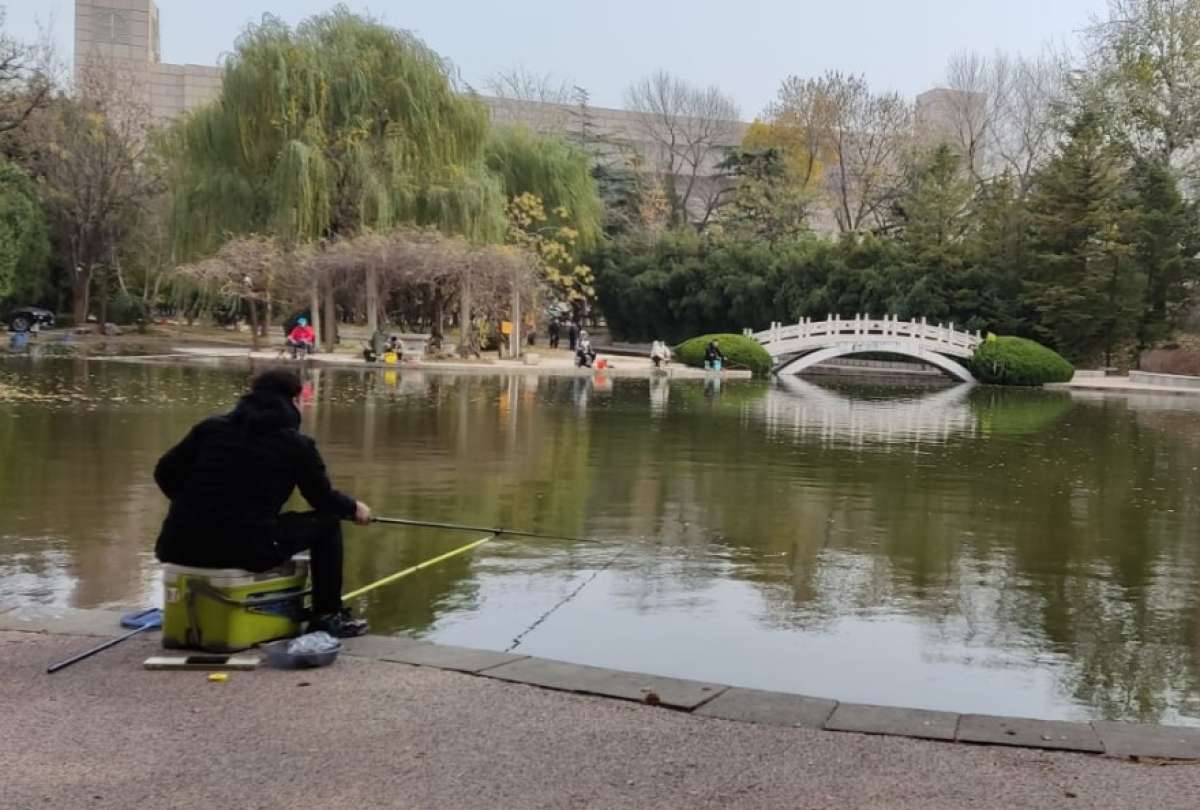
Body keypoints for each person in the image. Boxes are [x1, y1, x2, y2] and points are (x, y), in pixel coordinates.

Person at [153, 368, 372, 638]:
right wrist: (353, 508)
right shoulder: (297, 444)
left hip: (178, 544)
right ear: (294, 401)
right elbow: (322, 500)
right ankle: (327, 615)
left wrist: (197, 506)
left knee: (282, 523)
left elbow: (163, 473)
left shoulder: (210, 429)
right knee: (327, 524)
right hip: (245, 548)